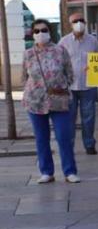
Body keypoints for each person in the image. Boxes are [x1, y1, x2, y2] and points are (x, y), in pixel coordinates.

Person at [24, 19, 79, 184]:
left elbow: (70, 73)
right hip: (35, 101)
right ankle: (46, 172)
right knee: (41, 138)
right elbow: (24, 76)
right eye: (36, 31)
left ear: (50, 31)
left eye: (44, 30)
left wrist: (60, 87)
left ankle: (70, 171)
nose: (40, 33)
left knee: (64, 136)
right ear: (32, 34)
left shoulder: (60, 50)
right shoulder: (28, 54)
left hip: (59, 100)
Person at [59, 11, 98, 155]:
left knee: (89, 117)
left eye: (81, 20)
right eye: (75, 21)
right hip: (69, 86)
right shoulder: (64, 42)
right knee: (69, 118)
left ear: (86, 23)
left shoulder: (93, 41)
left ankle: (89, 144)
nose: (78, 23)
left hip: (88, 85)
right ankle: (69, 145)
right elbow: (59, 62)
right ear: (70, 24)